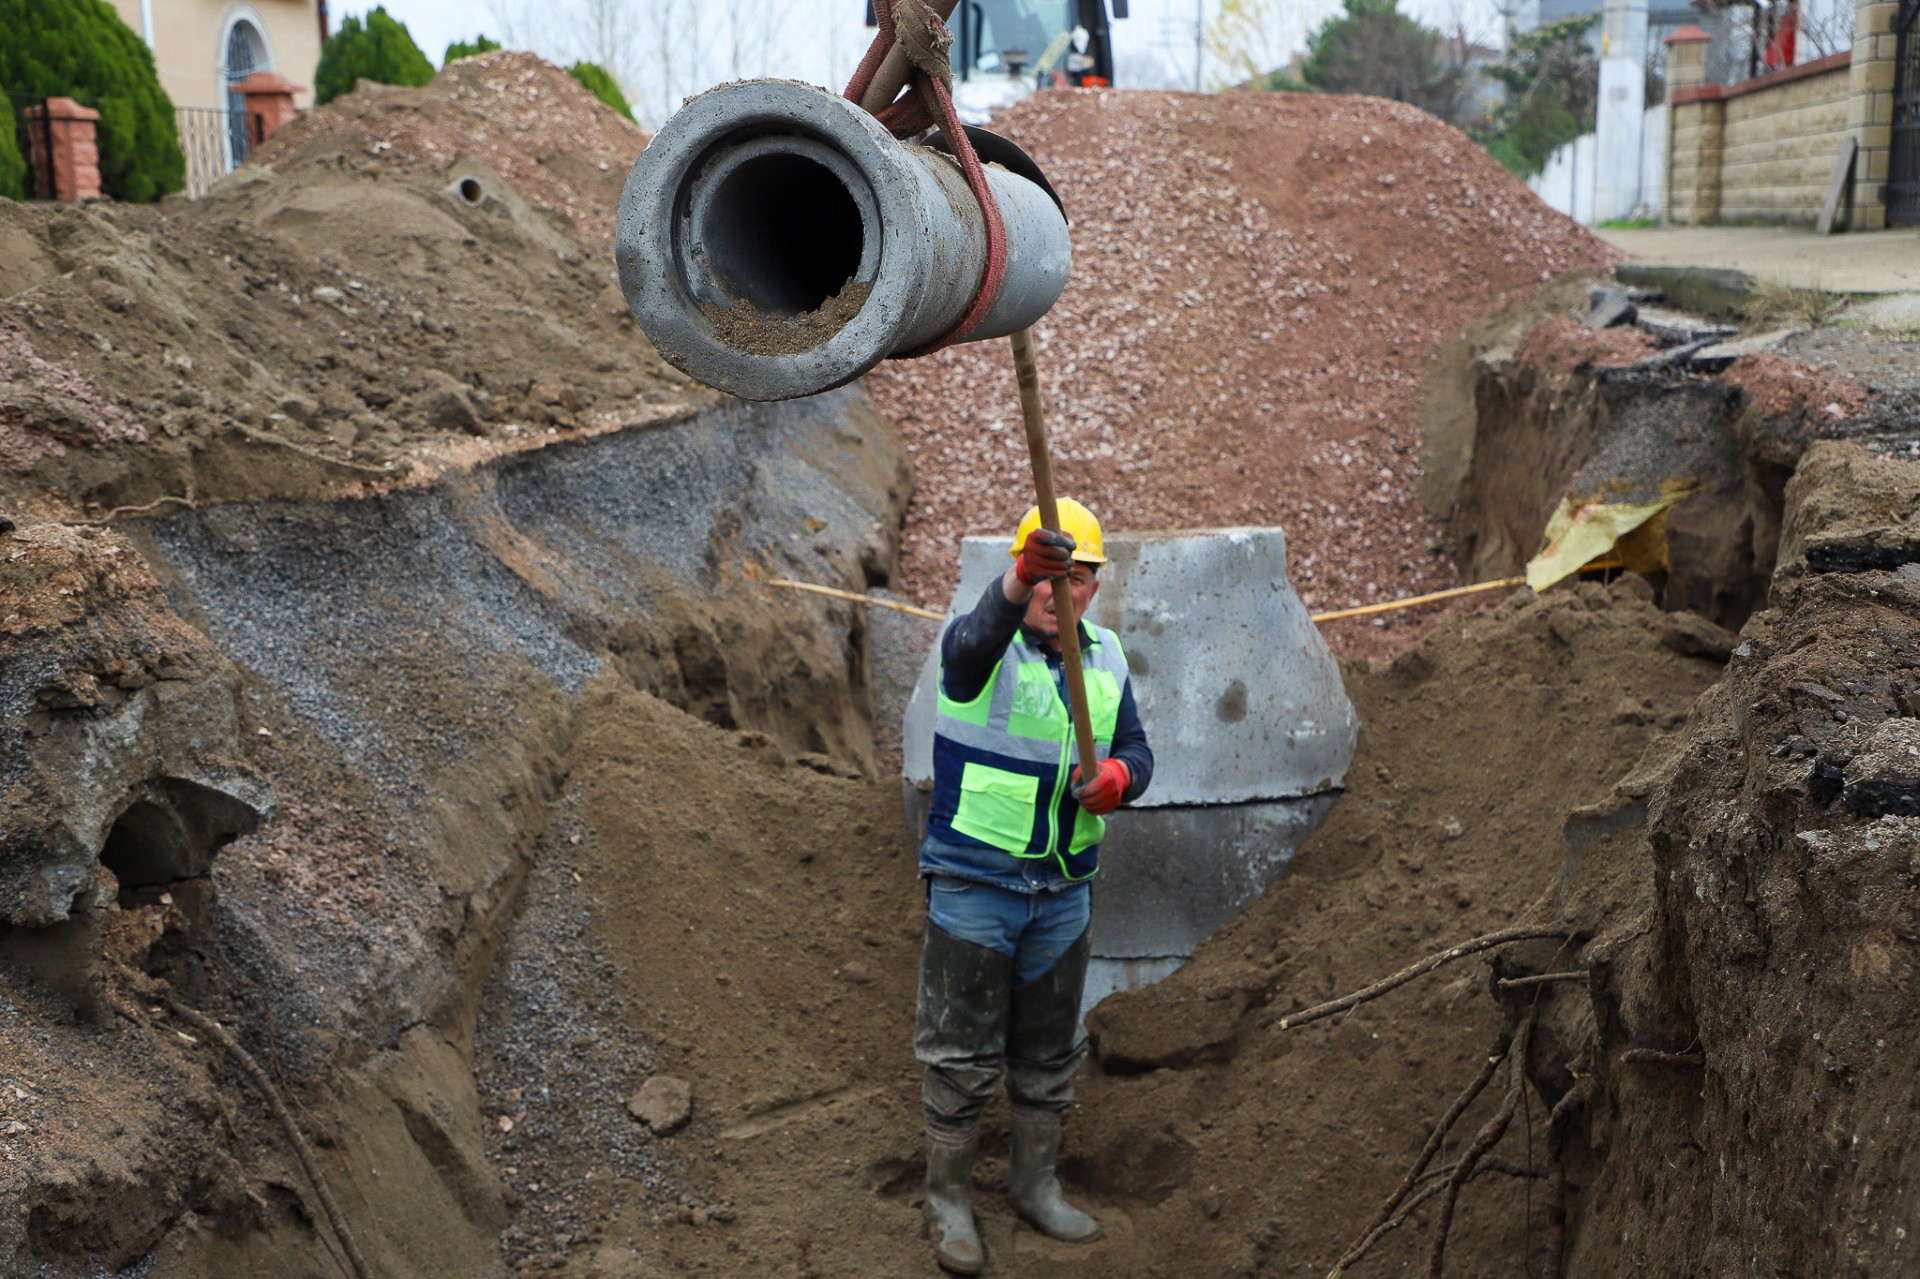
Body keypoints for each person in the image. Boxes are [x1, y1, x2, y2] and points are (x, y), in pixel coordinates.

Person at [914, 497, 1153, 1275]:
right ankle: (948, 1199)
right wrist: (1019, 578)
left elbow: (1138, 750)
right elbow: (969, 645)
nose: (1062, 592)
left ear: (1093, 585)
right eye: (1048, 576)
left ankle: (1033, 1183)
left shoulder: (1108, 657)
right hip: (975, 884)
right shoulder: (983, 647)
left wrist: (1120, 776)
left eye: (1076, 578)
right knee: (960, 1050)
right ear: (1024, 574)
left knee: (1048, 1051)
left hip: (1062, 890)